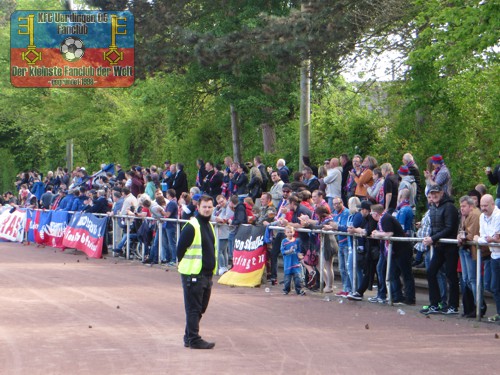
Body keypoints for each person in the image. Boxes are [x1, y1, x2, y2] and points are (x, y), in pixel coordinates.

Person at [177, 195, 217, 349]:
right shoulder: (192, 226)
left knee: (201, 308)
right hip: (193, 274)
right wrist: (188, 268)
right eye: (204, 207)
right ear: (198, 208)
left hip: (206, 274)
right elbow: (180, 249)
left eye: (209, 207)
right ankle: (193, 338)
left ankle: (189, 336)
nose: (207, 209)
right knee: (193, 308)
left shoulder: (209, 226)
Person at [420, 185, 460, 315]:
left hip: (450, 247)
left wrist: (433, 238)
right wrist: (429, 238)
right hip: (438, 246)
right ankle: (435, 304)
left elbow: (449, 228)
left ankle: (453, 305)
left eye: (436, 192)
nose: (434, 195)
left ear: (442, 193)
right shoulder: (432, 208)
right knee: (431, 271)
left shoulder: (449, 207)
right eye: (432, 193)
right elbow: (433, 226)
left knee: (451, 274)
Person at [371, 204, 416, 305]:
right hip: (395, 250)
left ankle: (410, 298)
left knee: (406, 274)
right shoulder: (383, 219)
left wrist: (377, 234)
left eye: (371, 213)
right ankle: (397, 296)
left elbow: (389, 233)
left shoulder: (385, 218)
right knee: (392, 273)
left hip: (401, 249)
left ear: (375, 214)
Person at [474, 194, 500, 322]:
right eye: (481, 205)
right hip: (493, 255)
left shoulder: (498, 216)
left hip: (497, 253)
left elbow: (495, 238)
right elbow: (485, 237)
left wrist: (483, 239)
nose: (483, 208)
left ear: (493, 204)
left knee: (495, 286)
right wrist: (485, 239)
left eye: (486, 206)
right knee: (492, 285)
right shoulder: (482, 217)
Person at [457, 195, 484, 318]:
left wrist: (461, 236)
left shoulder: (474, 215)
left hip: (471, 250)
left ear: (471, 206)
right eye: (461, 206)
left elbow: (470, 234)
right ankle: (476, 306)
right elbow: (461, 231)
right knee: (467, 279)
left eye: (464, 206)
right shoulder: (465, 216)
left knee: (472, 280)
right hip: (465, 249)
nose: (461, 209)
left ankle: (480, 306)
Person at [280, 226, 306, 295]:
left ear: (294, 232)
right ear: (285, 233)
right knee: (287, 279)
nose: (290, 234)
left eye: (291, 232)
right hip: (288, 263)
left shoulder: (296, 241)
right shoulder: (284, 241)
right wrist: (289, 251)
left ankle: (299, 290)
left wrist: (299, 255)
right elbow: (283, 251)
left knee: (297, 278)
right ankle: (286, 290)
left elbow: (298, 250)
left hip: (295, 263)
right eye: (288, 232)